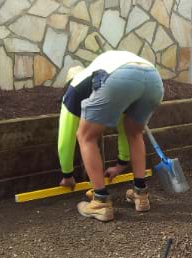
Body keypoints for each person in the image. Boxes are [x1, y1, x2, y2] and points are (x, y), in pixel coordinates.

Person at [58, 50, 164, 222]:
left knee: (86, 137)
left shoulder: (74, 89)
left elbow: (66, 137)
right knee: (135, 133)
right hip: (153, 78)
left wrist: (67, 174)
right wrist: (120, 165)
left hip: (120, 77)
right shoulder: (99, 72)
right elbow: (123, 128)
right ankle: (141, 195)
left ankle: (100, 202)